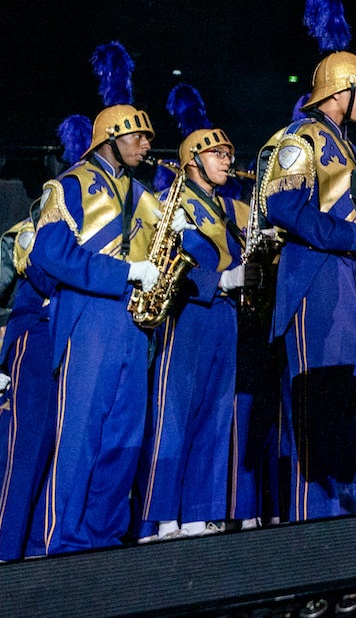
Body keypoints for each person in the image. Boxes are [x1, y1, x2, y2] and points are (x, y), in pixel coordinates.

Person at [30, 43, 164, 553]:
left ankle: (104, 541)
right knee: (81, 437)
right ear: (110, 136)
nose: (147, 142)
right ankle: (63, 546)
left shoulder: (143, 193)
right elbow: (51, 253)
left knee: (123, 439)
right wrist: (126, 271)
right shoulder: (69, 185)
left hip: (134, 322)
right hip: (89, 317)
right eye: (138, 133)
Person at [263, 0, 356, 519]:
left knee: (346, 404)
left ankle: (340, 515)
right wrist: (352, 238)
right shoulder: (300, 138)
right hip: (316, 280)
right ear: (343, 92)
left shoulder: (347, 146)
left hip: (348, 282)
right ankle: (312, 525)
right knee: (316, 407)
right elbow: (282, 206)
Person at [136, 85, 248, 540]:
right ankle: (161, 518)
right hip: (187, 315)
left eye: (227, 153)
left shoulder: (229, 208)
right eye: (216, 154)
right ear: (193, 161)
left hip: (224, 317)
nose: (225, 160)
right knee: (174, 415)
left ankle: (200, 511)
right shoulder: (170, 205)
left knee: (215, 415)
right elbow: (162, 265)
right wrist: (218, 280)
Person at [0, 117, 80, 562]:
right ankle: (2, 553)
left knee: (61, 447)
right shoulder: (33, 230)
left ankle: (41, 550)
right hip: (36, 339)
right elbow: (42, 273)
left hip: (69, 339)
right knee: (27, 448)